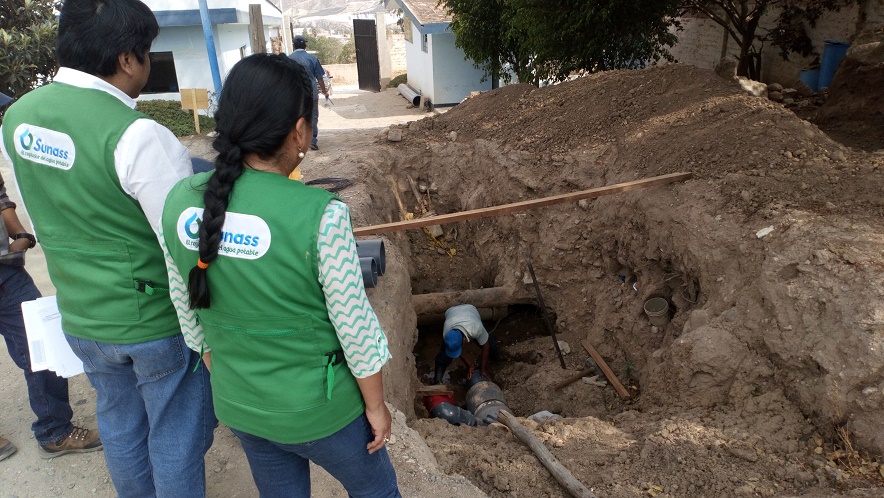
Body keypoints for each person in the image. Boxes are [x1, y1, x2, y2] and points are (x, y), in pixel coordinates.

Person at [161, 52, 400, 498]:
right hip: (320, 412)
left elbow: (187, 312)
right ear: (299, 130)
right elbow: (357, 330)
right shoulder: (320, 216)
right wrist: (377, 406)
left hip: (241, 407)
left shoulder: (178, 202)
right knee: (378, 491)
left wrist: (231, 378)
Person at [0, 1, 215, 495]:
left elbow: (43, 202)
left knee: (120, 425)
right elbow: (181, 241)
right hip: (152, 321)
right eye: (146, 55)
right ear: (126, 59)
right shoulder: (137, 134)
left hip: (81, 316)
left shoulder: (18, 118)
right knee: (177, 434)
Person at [0, 97, 102, 459]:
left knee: (39, 348)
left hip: (6, 272)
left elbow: (1, 199)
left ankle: (54, 430)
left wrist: (20, 236)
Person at [433, 304, 499, 384]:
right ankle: (437, 381)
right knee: (443, 357)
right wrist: (469, 364)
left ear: (464, 340)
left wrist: (483, 368)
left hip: (470, 311)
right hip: (452, 312)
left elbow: (486, 346)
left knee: (490, 343)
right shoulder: (447, 333)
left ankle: (497, 361)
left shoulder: (476, 328)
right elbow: (455, 347)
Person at [288, 34, 329, 150]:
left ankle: (297, 141)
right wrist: (325, 91)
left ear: (294, 45)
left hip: (295, 95)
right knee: (313, 116)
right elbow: (320, 77)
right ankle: (312, 140)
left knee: (297, 116)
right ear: (305, 45)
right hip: (311, 93)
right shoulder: (312, 59)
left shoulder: (288, 59)